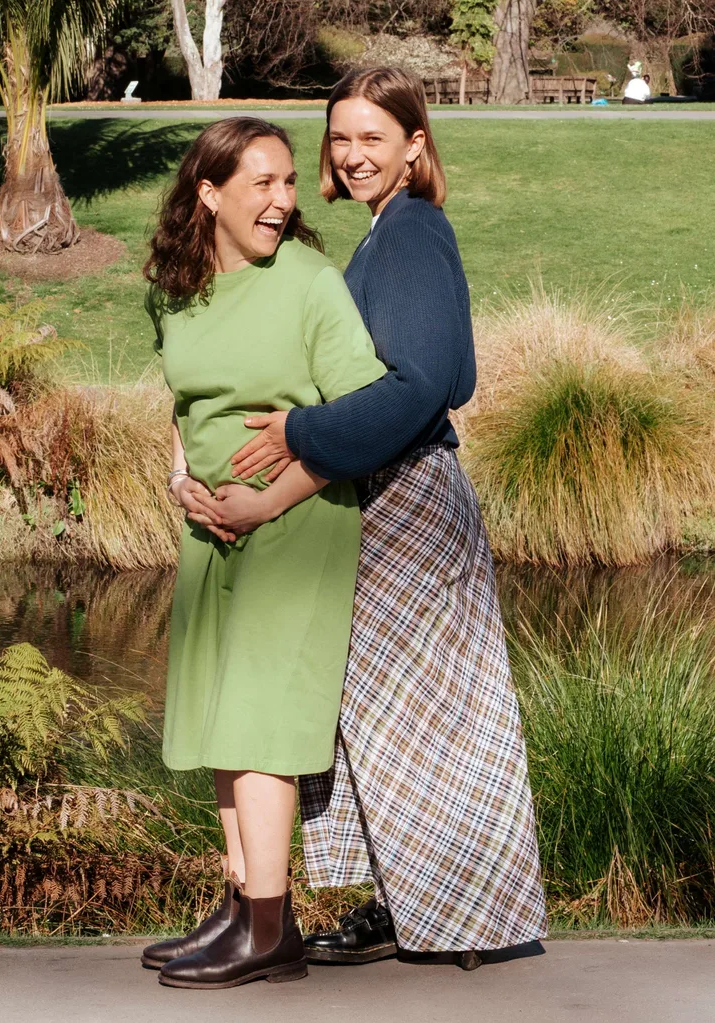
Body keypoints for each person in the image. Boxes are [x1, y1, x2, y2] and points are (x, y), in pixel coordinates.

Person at [220, 67, 547, 968]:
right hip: (392, 501)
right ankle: (407, 909)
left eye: (374, 136)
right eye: (341, 137)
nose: (354, 154)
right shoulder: (389, 235)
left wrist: (299, 429)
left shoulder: (409, 237)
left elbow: (423, 386)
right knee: (389, 721)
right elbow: (452, 372)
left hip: (410, 505)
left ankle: (469, 923)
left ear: (415, 144)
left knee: (429, 720)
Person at [139, 116, 385, 989]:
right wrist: (182, 481)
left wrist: (265, 500)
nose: (284, 200)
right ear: (208, 195)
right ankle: (242, 900)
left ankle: (273, 930)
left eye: (289, 182)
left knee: (262, 718)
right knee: (218, 712)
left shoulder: (311, 285)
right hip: (209, 526)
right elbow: (181, 405)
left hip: (297, 525)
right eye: (263, 184)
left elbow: (362, 417)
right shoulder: (173, 287)